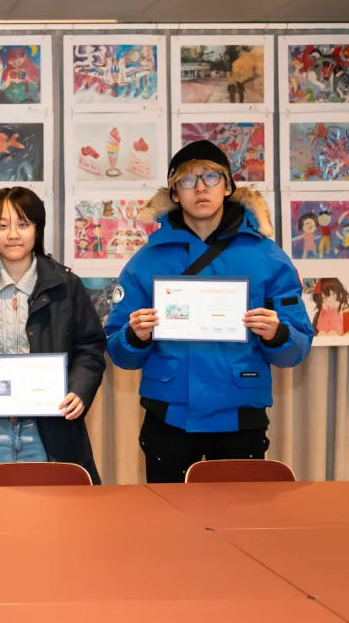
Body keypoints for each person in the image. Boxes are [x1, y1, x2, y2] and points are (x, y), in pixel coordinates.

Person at [105, 140, 313, 483]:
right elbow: (119, 352)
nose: (200, 187)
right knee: (167, 516)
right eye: (187, 180)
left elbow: (297, 349)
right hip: (168, 418)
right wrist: (134, 336)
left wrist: (278, 333)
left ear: (228, 186)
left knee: (240, 515)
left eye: (211, 177)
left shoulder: (267, 256)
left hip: (240, 418)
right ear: (174, 194)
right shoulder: (146, 260)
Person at [0, 187, 107, 486]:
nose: (12, 234)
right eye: (2, 225)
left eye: (23, 224)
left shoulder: (66, 286)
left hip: (52, 429)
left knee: (55, 510)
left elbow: (90, 346)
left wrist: (79, 389)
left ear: (37, 229)